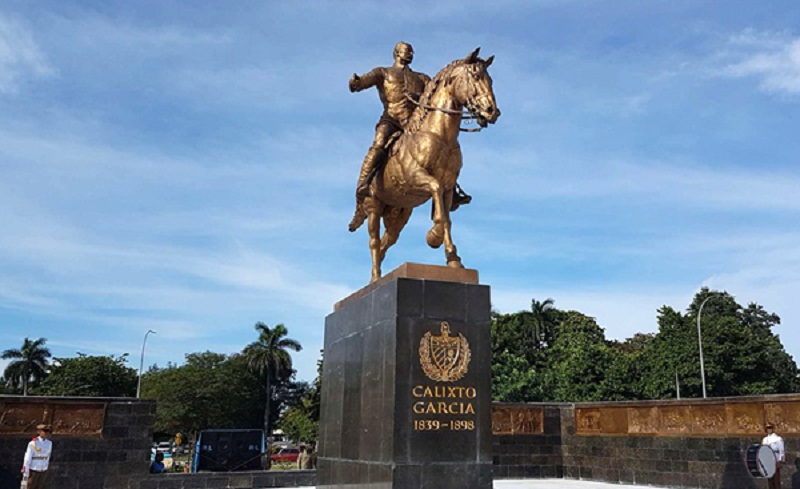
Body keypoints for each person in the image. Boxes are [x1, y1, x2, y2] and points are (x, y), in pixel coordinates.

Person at [347, 42, 472, 232]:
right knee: (378, 144)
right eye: (407, 50)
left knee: (443, 153)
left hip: (415, 124)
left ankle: (451, 191)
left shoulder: (422, 78)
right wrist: (356, 82)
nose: (410, 53)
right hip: (391, 121)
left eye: (412, 51)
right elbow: (365, 81)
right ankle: (362, 188)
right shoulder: (383, 73)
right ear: (397, 53)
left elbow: (435, 93)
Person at [21, 424, 53, 489]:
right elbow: (28, 457)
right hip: (33, 468)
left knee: (39, 486)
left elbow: (48, 456)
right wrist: (26, 470)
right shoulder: (33, 443)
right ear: (39, 432)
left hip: (43, 469)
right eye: (45, 431)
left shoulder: (49, 443)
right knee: (29, 486)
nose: (46, 433)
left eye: (48, 431)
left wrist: (45, 467)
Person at [762, 422, 785, 489]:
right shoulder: (765, 440)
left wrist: (780, 460)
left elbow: (781, 450)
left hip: (775, 458)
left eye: (770, 428)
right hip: (768, 460)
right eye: (767, 428)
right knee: (770, 479)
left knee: (776, 479)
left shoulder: (778, 439)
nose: (769, 430)